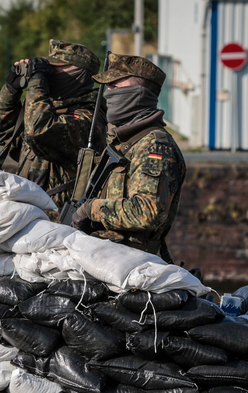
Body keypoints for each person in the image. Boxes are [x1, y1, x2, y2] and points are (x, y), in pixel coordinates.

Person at [71, 53, 186, 261]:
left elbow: (147, 211)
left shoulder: (155, 145)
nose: (108, 94)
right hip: (103, 254)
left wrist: (90, 209)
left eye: (115, 86)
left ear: (138, 93)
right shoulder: (122, 141)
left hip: (130, 261)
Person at [0, 39, 103, 212]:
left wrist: (37, 82)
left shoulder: (88, 119)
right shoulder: (46, 109)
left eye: (56, 68)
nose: (50, 73)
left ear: (79, 75)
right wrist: (11, 89)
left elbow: (38, 129)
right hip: (29, 213)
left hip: (58, 220)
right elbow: (0, 132)